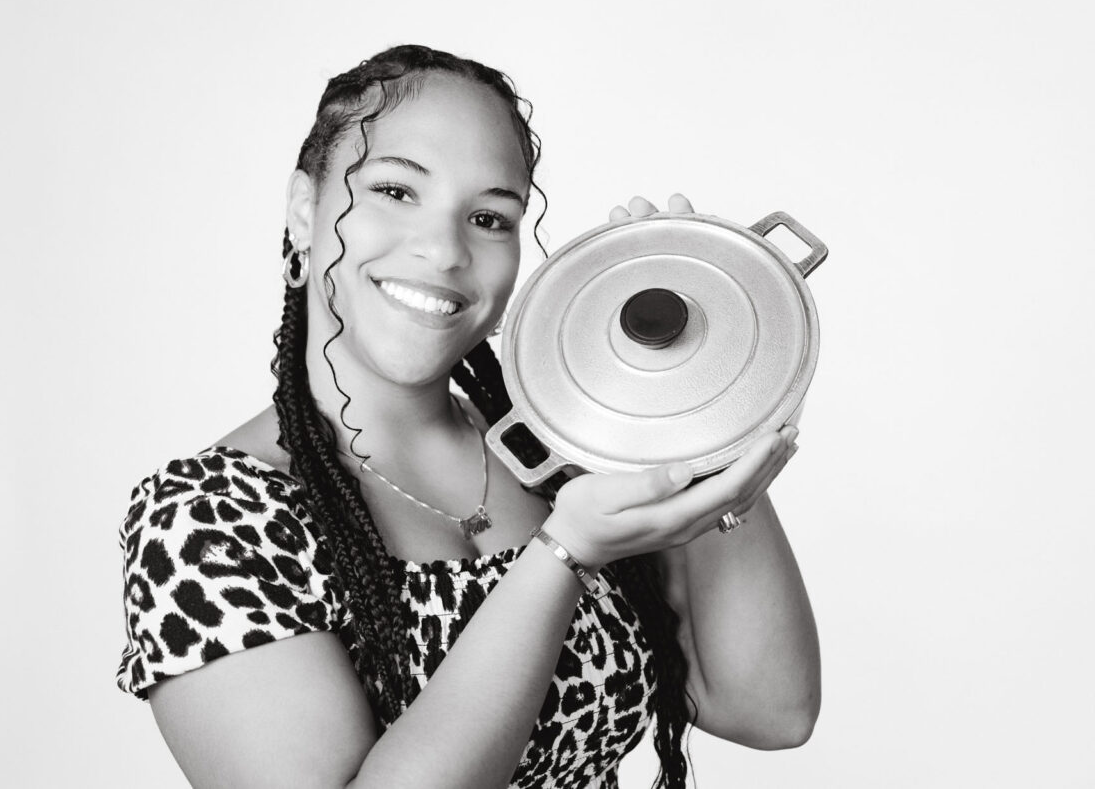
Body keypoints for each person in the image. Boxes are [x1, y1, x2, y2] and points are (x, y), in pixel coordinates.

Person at [115, 45, 819, 788]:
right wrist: (561, 555)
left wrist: (693, 403)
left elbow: (769, 710)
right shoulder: (208, 519)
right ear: (302, 211)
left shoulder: (564, 445)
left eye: (488, 216)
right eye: (395, 191)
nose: (445, 250)